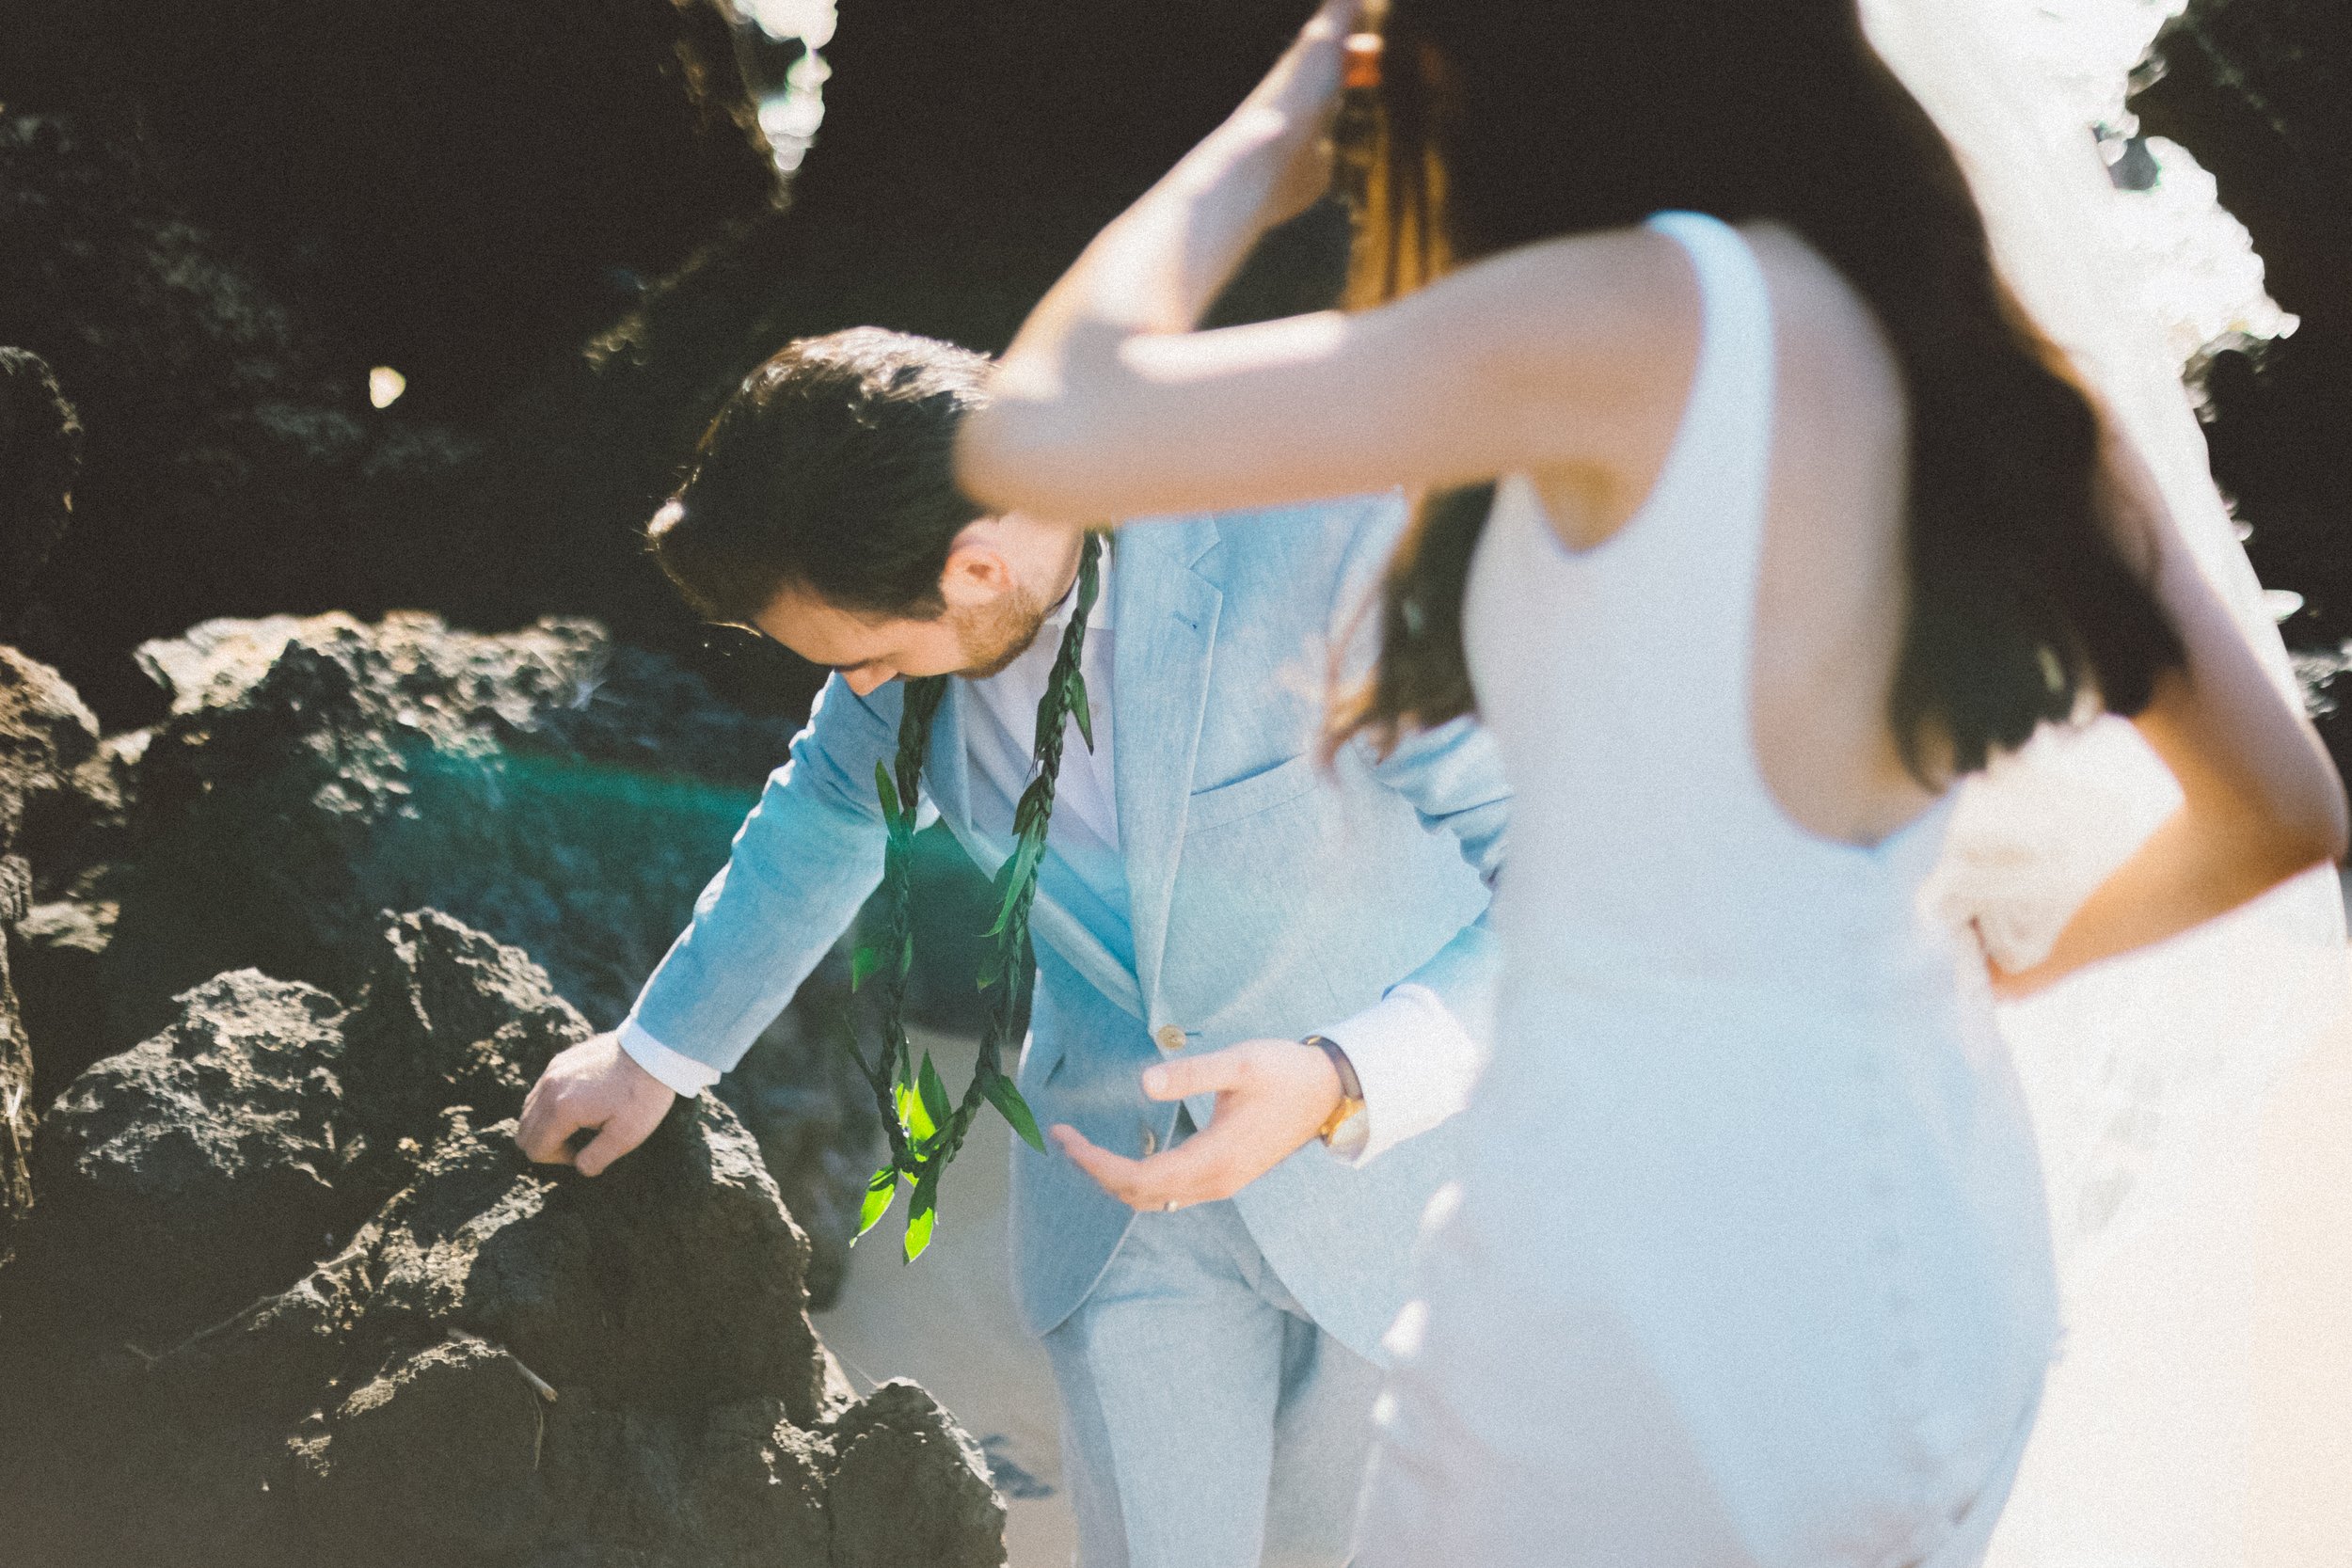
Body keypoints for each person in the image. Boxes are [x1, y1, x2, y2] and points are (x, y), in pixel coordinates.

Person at [952, 3, 2348, 1564]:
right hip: (1939, 1231)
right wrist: (1981, 965)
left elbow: (1038, 433)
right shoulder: (1975, 355)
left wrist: (1273, 134)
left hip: (1656, 1257)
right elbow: (2282, 815)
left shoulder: (1646, 314)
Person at [513, 326, 1510, 1568]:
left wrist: (1347, 1076)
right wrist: (656, 1053)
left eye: (866, 652)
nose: (859, 688)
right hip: (1118, 1198)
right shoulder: (906, 651)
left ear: (979, 566)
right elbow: (823, 811)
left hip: (1408, 1198)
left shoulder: (1329, 548)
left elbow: (1571, 879)